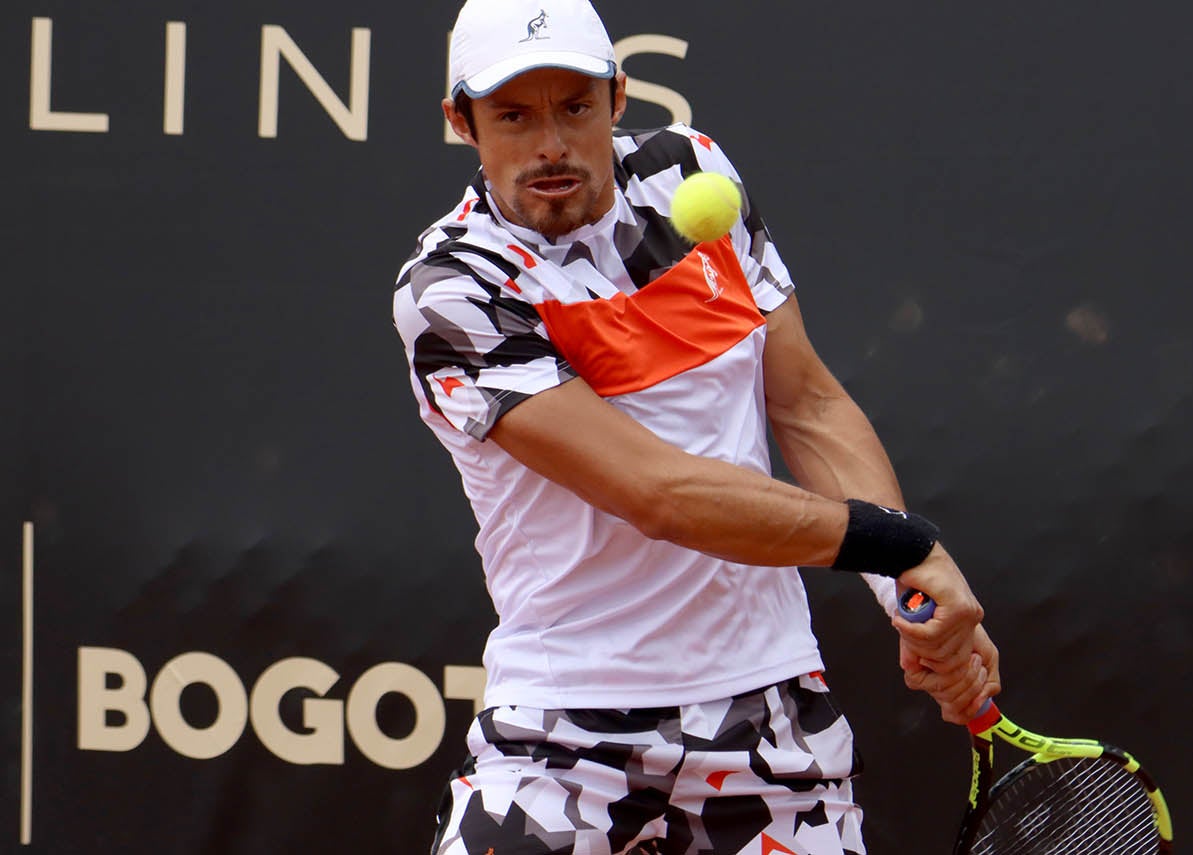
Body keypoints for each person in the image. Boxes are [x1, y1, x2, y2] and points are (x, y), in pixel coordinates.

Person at [392, 0, 1000, 852]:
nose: (551, 145)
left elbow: (806, 402)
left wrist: (904, 588)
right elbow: (659, 494)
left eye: (575, 107)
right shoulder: (454, 288)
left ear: (618, 98)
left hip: (772, 718)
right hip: (564, 731)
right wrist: (900, 543)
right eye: (514, 116)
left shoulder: (690, 172)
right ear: (463, 123)